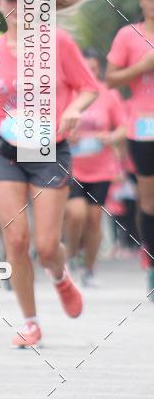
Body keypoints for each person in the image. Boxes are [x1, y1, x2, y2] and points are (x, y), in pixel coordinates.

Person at [0, 0, 99, 348]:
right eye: (11, 0)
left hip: (47, 148)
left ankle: (60, 276)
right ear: (1, 6)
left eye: (27, 0)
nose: (19, 7)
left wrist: (74, 111)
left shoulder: (59, 43)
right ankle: (30, 321)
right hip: (4, 149)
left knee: (47, 245)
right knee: (17, 241)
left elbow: (89, 88)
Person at [106, 0, 154, 297]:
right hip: (144, 125)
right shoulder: (128, 35)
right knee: (149, 199)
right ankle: (151, 264)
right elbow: (110, 79)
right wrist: (143, 67)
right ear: (141, 1)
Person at [64, 48, 125, 286]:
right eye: (84, 68)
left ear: (98, 70)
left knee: (94, 219)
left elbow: (123, 127)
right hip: (73, 166)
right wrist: (68, 135)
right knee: (76, 213)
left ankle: (89, 269)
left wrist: (109, 137)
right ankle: (69, 259)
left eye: (93, 69)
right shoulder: (68, 92)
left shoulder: (109, 94)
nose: (89, 73)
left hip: (102, 168)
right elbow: (53, 125)